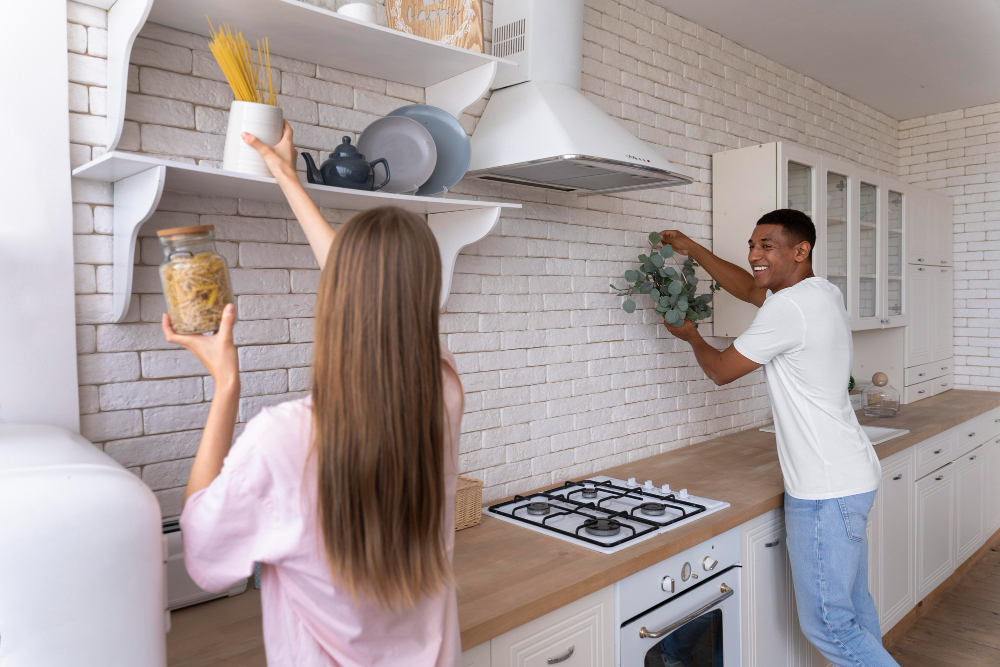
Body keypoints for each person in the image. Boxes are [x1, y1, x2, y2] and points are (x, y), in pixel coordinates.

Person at [166, 122, 464, 666]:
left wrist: (226, 384)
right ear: (426, 302)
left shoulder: (284, 439)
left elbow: (204, 559)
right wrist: (286, 176)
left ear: (334, 301)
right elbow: (377, 297)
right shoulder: (442, 395)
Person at [660, 210, 898, 667]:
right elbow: (751, 289)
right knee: (854, 610)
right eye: (752, 245)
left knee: (829, 624)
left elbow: (721, 371)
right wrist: (693, 250)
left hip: (825, 488)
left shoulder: (788, 309)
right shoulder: (819, 292)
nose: (753, 255)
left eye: (766, 246)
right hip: (850, 476)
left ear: (800, 250)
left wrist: (691, 337)